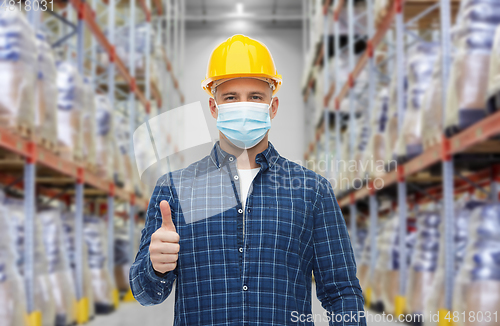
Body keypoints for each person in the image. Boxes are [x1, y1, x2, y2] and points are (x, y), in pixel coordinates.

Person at [129, 34, 367, 325]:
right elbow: (144, 293)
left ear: (273, 106)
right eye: (231, 97)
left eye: (255, 97)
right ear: (214, 108)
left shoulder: (311, 191)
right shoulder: (176, 189)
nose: (243, 105)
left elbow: (342, 293)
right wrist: (156, 267)